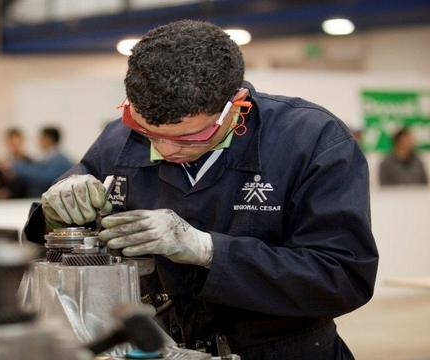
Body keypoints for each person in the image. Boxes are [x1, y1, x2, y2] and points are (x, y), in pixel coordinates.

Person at [24, 20, 378, 359]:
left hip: (280, 348)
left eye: (192, 137)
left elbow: (343, 278)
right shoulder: (118, 140)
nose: (165, 149)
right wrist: (55, 213)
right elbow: (56, 232)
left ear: (235, 103)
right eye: (146, 131)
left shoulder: (311, 140)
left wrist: (207, 249)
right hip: (158, 344)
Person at [12, 127, 73, 198]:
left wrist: (18, 167)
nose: (38, 141)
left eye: (41, 138)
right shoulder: (46, 157)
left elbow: (44, 178)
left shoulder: (61, 161)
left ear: (48, 139)